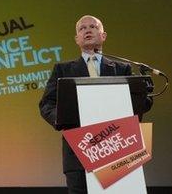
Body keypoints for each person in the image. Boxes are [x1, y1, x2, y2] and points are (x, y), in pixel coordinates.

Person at [39, 15, 133, 194]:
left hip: (118, 147)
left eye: (93, 27)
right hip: (78, 152)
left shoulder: (123, 69)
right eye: (82, 29)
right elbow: (47, 104)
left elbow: (141, 100)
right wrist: (61, 118)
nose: (87, 30)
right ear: (77, 39)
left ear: (103, 35)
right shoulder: (63, 70)